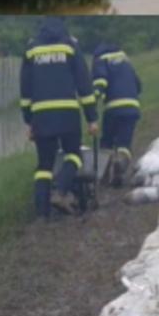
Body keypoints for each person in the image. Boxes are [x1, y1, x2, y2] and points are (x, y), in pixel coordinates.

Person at [20, 17, 97, 221]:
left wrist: (28, 120)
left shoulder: (31, 48)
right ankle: (61, 192)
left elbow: (25, 89)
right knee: (73, 154)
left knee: (44, 164)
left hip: (41, 114)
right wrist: (92, 118)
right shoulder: (70, 45)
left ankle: (42, 214)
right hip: (67, 112)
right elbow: (84, 84)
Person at [90, 41, 142, 189]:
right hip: (132, 107)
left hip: (113, 108)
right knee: (124, 143)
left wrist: (93, 102)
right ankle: (120, 162)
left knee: (106, 141)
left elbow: (100, 83)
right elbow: (138, 85)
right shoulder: (125, 61)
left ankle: (104, 174)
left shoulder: (101, 61)